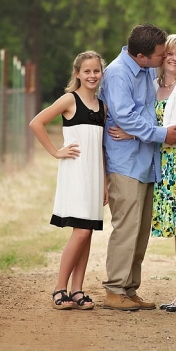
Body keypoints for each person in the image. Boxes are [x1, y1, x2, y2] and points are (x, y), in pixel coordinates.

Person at [109, 34, 176, 313]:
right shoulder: (152, 84)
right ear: (160, 58)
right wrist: (144, 129)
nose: (174, 59)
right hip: (163, 162)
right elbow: (153, 125)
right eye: (169, 54)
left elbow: (172, 130)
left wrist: (130, 131)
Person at [100, 23, 176, 311]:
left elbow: (144, 114)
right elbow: (124, 117)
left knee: (141, 229)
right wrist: (160, 134)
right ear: (141, 55)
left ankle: (129, 288)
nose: (164, 58)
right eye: (160, 55)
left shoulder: (147, 69)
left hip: (147, 159)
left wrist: (140, 131)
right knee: (126, 227)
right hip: (125, 162)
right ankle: (114, 290)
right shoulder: (117, 74)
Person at [28, 50, 108, 310]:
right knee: (81, 231)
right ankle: (59, 289)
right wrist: (56, 152)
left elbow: (101, 147)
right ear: (77, 74)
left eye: (96, 70)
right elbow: (36, 123)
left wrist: (105, 181)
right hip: (76, 173)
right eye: (87, 71)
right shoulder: (69, 100)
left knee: (87, 233)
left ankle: (77, 290)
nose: (92, 75)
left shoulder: (102, 106)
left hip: (95, 176)